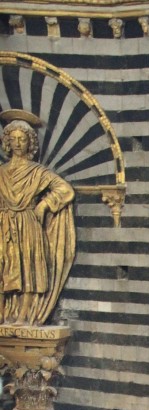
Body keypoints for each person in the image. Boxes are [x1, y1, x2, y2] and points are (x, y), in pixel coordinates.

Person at [0, 112, 76, 326]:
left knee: (28, 268)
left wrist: (44, 204)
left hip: (28, 224)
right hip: (3, 225)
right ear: (7, 142)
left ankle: (24, 316)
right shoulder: (1, 172)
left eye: (22, 139)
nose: (17, 144)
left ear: (30, 142)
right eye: (13, 139)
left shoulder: (38, 172)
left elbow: (65, 189)